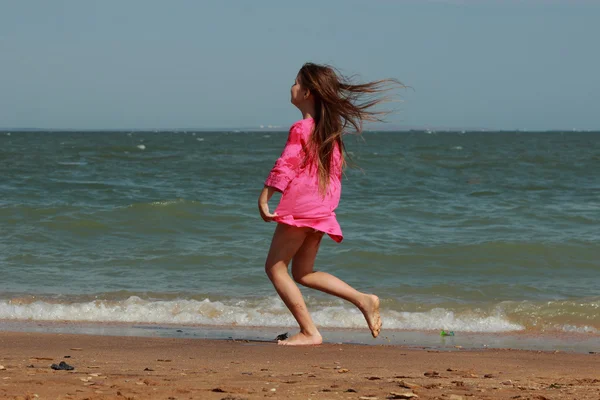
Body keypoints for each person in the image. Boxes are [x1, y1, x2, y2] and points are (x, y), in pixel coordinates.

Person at [258, 62, 401, 346]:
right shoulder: (329, 134)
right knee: (303, 273)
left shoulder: (302, 128)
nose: (292, 87)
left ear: (308, 92)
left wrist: (265, 196)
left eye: (296, 82)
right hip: (321, 208)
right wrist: (325, 208)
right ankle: (363, 299)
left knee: (275, 268)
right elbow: (333, 177)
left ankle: (310, 332)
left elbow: (286, 164)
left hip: (301, 207)